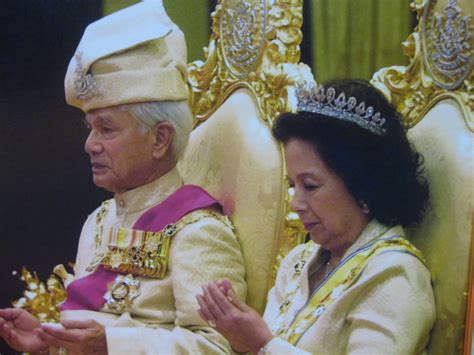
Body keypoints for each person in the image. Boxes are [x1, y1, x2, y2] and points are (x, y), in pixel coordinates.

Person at [0, 1, 246, 354]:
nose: (89, 145)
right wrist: (49, 341)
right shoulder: (100, 221)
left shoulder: (199, 232)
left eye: (107, 129)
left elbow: (220, 346)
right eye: (90, 128)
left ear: (160, 138)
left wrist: (113, 345)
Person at [196, 79, 436, 354]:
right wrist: (241, 341)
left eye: (310, 186)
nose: (296, 203)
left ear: (362, 185)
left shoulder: (394, 275)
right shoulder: (299, 261)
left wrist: (262, 344)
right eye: (292, 186)